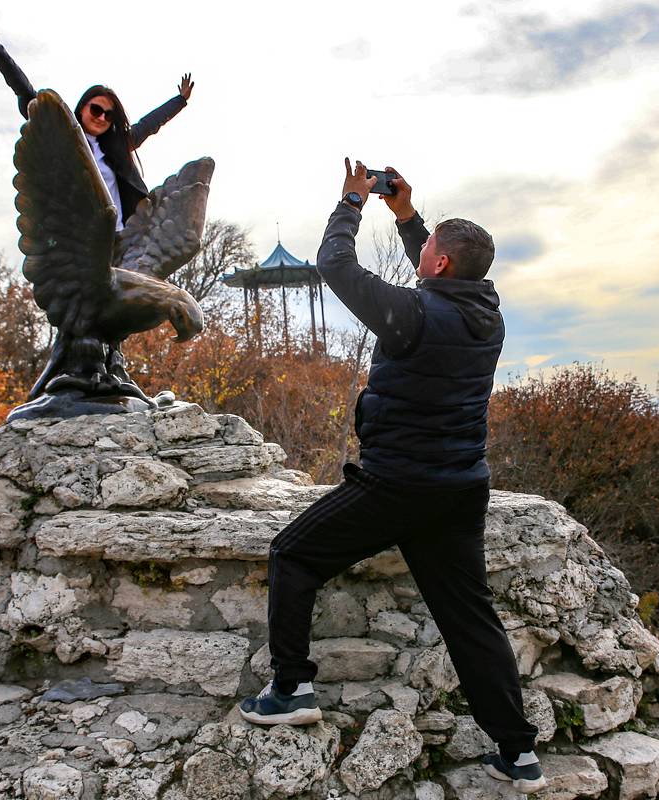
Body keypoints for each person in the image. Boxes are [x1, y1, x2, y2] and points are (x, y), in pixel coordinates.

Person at [237, 160, 547, 794]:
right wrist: (407, 217)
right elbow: (436, 272)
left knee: (291, 553)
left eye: (426, 249)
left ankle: (291, 686)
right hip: (462, 487)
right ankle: (517, 752)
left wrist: (351, 202)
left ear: (437, 267)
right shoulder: (487, 313)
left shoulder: (412, 316)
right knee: (469, 618)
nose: (420, 255)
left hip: (399, 485)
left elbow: (336, 268)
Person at [0, 2, 194, 231]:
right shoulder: (64, 138)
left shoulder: (116, 146)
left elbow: (149, 124)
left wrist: (180, 100)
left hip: (118, 237)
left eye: (108, 115)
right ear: (82, 108)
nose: (101, 118)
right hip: (74, 238)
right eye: (96, 110)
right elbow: (26, 92)